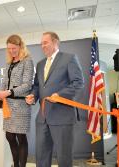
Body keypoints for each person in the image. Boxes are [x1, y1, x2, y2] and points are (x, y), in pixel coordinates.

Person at [26, 31, 84, 167]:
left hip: (62, 116)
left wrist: (60, 95)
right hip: (43, 117)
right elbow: (37, 86)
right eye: (41, 43)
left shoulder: (69, 58)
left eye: (45, 42)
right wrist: (33, 96)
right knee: (41, 157)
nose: (42, 46)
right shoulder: (40, 64)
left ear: (55, 42)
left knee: (64, 158)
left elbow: (78, 83)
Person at [0, 34, 34, 167]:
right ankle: (15, 164)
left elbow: (27, 85)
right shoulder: (8, 63)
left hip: (21, 105)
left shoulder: (27, 61)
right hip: (8, 105)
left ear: (20, 46)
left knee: (21, 137)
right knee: (10, 137)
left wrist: (9, 92)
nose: (11, 51)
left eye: (14, 48)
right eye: (9, 48)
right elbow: (5, 83)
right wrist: (0, 94)